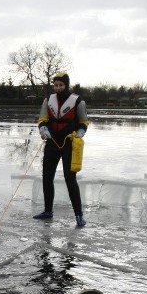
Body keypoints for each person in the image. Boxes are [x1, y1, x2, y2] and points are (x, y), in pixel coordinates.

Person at [34, 71, 90, 227]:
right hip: (52, 143)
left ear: (66, 85)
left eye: (61, 85)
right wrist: (43, 130)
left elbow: (84, 122)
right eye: (55, 85)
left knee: (70, 179)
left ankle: (79, 216)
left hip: (69, 144)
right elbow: (42, 120)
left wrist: (80, 133)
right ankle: (48, 211)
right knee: (47, 177)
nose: (58, 88)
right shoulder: (48, 100)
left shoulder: (77, 101)